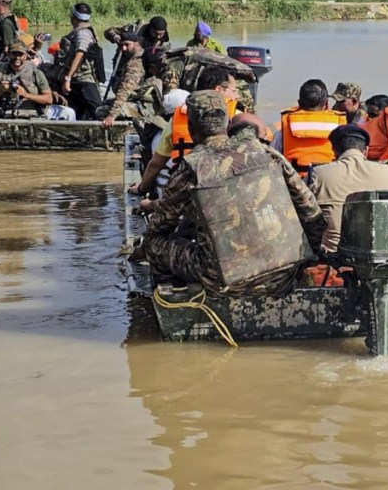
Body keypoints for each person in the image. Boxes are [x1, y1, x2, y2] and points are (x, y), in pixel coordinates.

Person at [141, 90, 327, 296]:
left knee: (153, 243)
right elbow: (312, 213)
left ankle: (174, 297)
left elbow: (160, 225)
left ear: (191, 129)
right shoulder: (267, 153)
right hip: (285, 274)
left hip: (226, 284)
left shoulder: (191, 167)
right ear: (228, 123)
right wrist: (307, 261)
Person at [129, 67, 242, 198]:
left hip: (182, 195)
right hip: (225, 195)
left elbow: (156, 164)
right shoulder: (239, 118)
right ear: (218, 90)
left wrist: (141, 189)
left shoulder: (177, 119)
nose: (237, 95)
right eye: (234, 90)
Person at [310, 124, 388, 253]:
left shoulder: (318, 173)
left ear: (334, 150)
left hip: (333, 254)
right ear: (366, 150)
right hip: (380, 253)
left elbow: (303, 211)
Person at [272, 79, 347, 178]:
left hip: (296, 183)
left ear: (299, 103)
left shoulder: (283, 132)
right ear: (326, 103)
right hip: (329, 180)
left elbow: (273, 159)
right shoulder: (340, 129)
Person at [0, 42, 76, 120]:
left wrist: (25, 94)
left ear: (25, 55)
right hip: (7, 112)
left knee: (69, 113)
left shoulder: (36, 72)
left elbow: (48, 99)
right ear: (9, 54)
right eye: (14, 54)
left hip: (34, 111)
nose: (17, 57)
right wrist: (0, 91)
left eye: (20, 54)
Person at [56, 2, 104, 120]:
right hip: (76, 80)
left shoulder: (83, 33)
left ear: (74, 16)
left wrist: (68, 78)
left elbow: (80, 55)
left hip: (84, 79)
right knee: (76, 111)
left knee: (97, 110)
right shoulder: (79, 32)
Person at [102, 31, 146, 126]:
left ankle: (119, 133)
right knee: (105, 103)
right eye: (122, 45)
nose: (123, 48)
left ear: (137, 44)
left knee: (101, 111)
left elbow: (125, 89)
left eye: (127, 45)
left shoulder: (136, 64)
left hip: (142, 105)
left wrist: (112, 115)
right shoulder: (139, 57)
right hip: (137, 100)